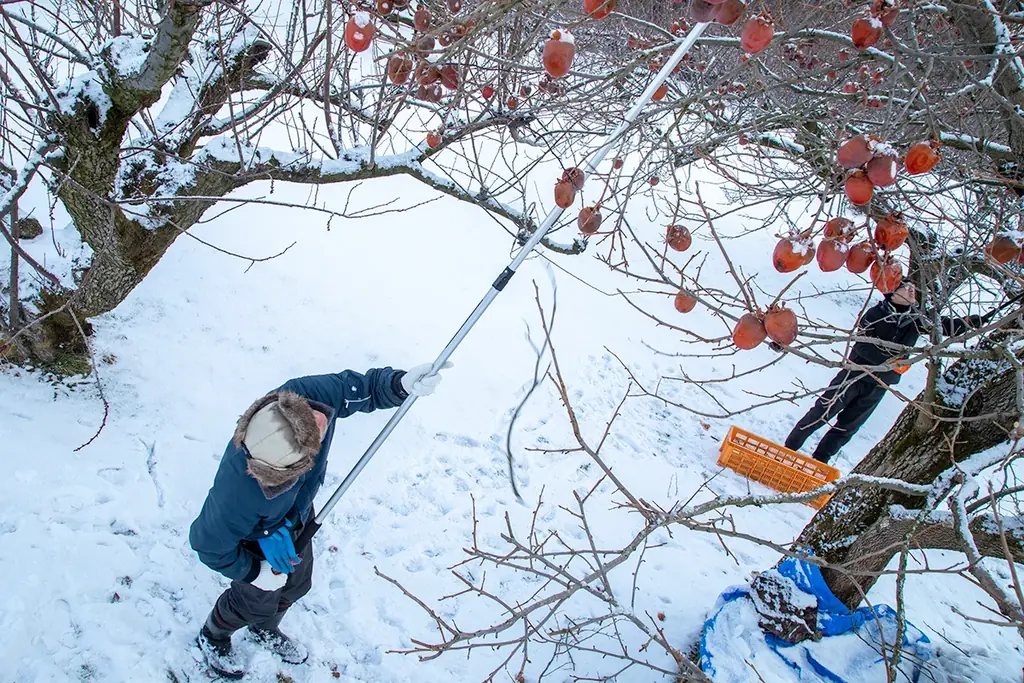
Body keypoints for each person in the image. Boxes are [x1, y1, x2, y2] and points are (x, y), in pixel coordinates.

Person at [188, 362, 451, 678]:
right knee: (257, 598)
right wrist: (254, 571)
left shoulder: (303, 400)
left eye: (313, 418)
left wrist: (398, 385)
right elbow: (207, 545)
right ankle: (214, 634)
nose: (322, 418)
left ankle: (263, 629)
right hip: (253, 537)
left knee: (297, 583)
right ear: (288, 471)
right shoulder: (239, 495)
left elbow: (352, 388)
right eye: (312, 433)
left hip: (295, 515)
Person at [783, 282, 982, 464]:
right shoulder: (874, 315)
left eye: (913, 287)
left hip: (880, 383)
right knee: (822, 412)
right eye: (906, 287)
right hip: (855, 374)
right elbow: (862, 345)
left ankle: (819, 461)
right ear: (891, 293)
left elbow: (944, 326)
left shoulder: (916, 319)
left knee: (848, 426)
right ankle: (788, 449)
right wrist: (890, 363)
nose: (912, 290)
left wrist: (968, 322)